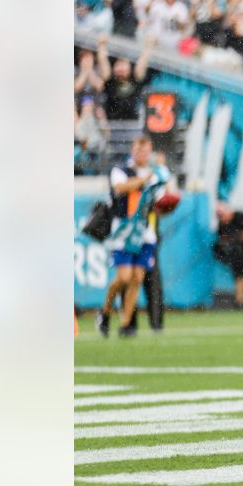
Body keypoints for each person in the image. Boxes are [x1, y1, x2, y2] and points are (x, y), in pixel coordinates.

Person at [96, 137, 175, 338]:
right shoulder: (121, 171)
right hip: (124, 229)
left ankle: (125, 323)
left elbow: (160, 202)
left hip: (145, 229)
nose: (143, 155)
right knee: (123, 277)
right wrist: (145, 179)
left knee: (138, 278)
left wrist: (167, 205)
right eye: (139, 151)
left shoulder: (157, 173)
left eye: (146, 151)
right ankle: (104, 312)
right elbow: (121, 188)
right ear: (133, 151)